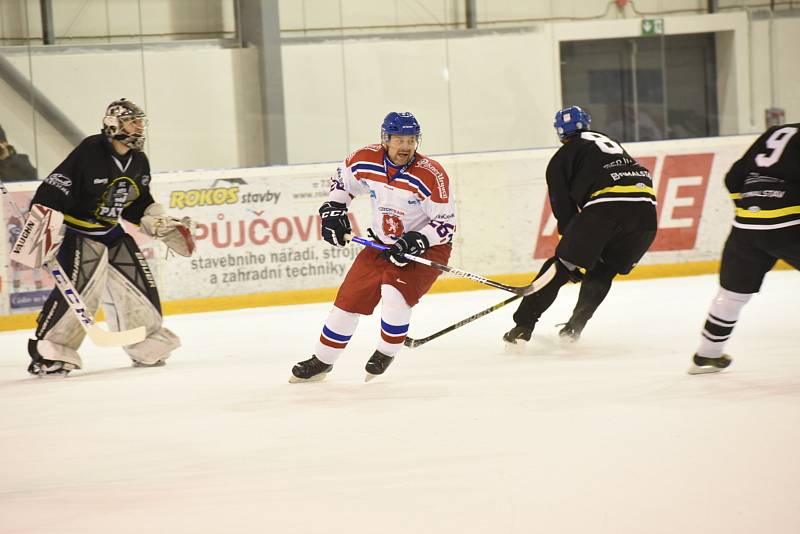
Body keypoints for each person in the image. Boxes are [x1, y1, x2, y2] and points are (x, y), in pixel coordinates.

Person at [10, 98, 195, 376]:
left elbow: (137, 201)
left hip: (113, 232)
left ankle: (144, 343)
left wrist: (155, 220)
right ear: (113, 125)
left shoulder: (138, 160)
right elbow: (56, 186)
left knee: (139, 289)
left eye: (139, 122)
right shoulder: (91, 151)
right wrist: (42, 228)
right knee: (82, 294)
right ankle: (50, 352)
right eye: (132, 121)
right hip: (80, 233)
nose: (138, 127)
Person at [290, 111, 456, 382]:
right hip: (382, 243)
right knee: (348, 301)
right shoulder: (365, 159)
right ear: (385, 139)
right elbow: (343, 183)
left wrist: (417, 241)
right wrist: (334, 208)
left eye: (411, 140)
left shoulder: (431, 175)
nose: (405, 146)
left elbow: (445, 227)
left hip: (427, 247)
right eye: (399, 140)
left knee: (393, 293)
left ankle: (386, 351)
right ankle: (322, 360)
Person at [503, 106, 658, 347]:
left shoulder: (561, 158)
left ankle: (523, 325)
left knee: (559, 266)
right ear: (586, 124)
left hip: (605, 208)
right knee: (604, 270)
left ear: (560, 132)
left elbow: (563, 208)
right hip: (646, 214)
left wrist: (570, 257)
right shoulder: (610, 143)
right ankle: (575, 327)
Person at [689, 123, 800, 374]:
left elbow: (733, 178)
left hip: (746, 226)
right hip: (792, 222)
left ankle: (707, 354)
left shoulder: (777, 131)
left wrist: (753, 209)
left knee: (731, 294)